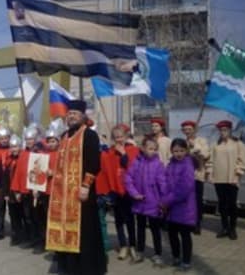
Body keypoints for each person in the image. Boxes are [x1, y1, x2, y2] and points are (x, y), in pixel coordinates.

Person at [46, 100, 107, 275]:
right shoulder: (65, 136)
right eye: (70, 113)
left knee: (85, 229)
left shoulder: (89, 135)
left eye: (75, 113)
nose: (71, 116)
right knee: (64, 228)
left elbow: (94, 163)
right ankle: (67, 265)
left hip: (81, 191)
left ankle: (85, 268)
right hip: (63, 194)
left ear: (83, 116)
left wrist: (86, 185)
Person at [125, 137, 166, 266]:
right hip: (139, 203)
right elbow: (128, 179)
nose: (152, 151)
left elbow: (163, 183)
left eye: (154, 149)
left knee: (155, 230)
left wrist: (164, 200)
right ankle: (140, 252)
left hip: (154, 203)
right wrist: (134, 194)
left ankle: (158, 254)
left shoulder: (158, 164)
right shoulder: (136, 162)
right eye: (150, 148)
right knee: (140, 228)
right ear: (142, 148)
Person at [102, 124, 139, 261]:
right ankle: (123, 244)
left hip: (129, 190)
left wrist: (123, 153)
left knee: (130, 219)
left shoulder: (133, 150)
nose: (119, 139)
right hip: (115, 190)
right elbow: (105, 169)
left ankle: (133, 245)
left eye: (121, 136)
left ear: (126, 136)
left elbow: (133, 167)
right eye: (116, 137)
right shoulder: (110, 152)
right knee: (118, 220)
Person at [209, 120, 245, 240]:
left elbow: (243, 161)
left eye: (225, 130)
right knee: (222, 205)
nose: (223, 132)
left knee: (232, 205)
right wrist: (210, 174)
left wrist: (238, 175)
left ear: (230, 130)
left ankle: (232, 228)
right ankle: (224, 227)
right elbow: (210, 161)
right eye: (221, 130)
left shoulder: (238, 144)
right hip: (219, 179)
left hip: (232, 179)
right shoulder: (215, 144)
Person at [162, 138, 197, 272]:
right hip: (171, 208)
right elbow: (164, 181)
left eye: (181, 150)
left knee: (185, 236)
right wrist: (163, 197)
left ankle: (186, 261)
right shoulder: (170, 164)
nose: (178, 153)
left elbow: (184, 188)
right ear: (171, 151)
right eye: (176, 151)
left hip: (184, 207)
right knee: (172, 234)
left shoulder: (188, 165)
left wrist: (167, 200)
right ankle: (176, 257)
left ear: (186, 151)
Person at [11, 126, 44, 249]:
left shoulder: (40, 153)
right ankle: (32, 238)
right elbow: (19, 173)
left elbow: (41, 172)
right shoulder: (23, 154)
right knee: (28, 216)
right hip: (25, 190)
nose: (29, 141)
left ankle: (41, 241)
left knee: (38, 217)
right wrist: (17, 190)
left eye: (31, 139)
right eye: (27, 139)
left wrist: (39, 189)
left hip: (36, 191)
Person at [181, 120, 210, 234]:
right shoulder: (182, 142)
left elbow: (206, 155)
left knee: (197, 201)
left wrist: (195, 146)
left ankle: (197, 223)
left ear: (194, 130)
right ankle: (188, 222)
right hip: (184, 177)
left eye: (189, 129)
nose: (187, 131)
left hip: (197, 175)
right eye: (185, 130)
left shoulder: (201, 141)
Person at [1, 134, 25, 246]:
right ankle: (15, 234)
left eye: (16, 146)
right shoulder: (9, 160)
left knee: (22, 214)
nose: (14, 149)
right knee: (13, 214)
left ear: (20, 147)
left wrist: (20, 192)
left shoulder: (23, 159)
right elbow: (5, 178)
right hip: (10, 192)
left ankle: (23, 235)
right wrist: (5, 193)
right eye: (12, 147)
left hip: (20, 192)